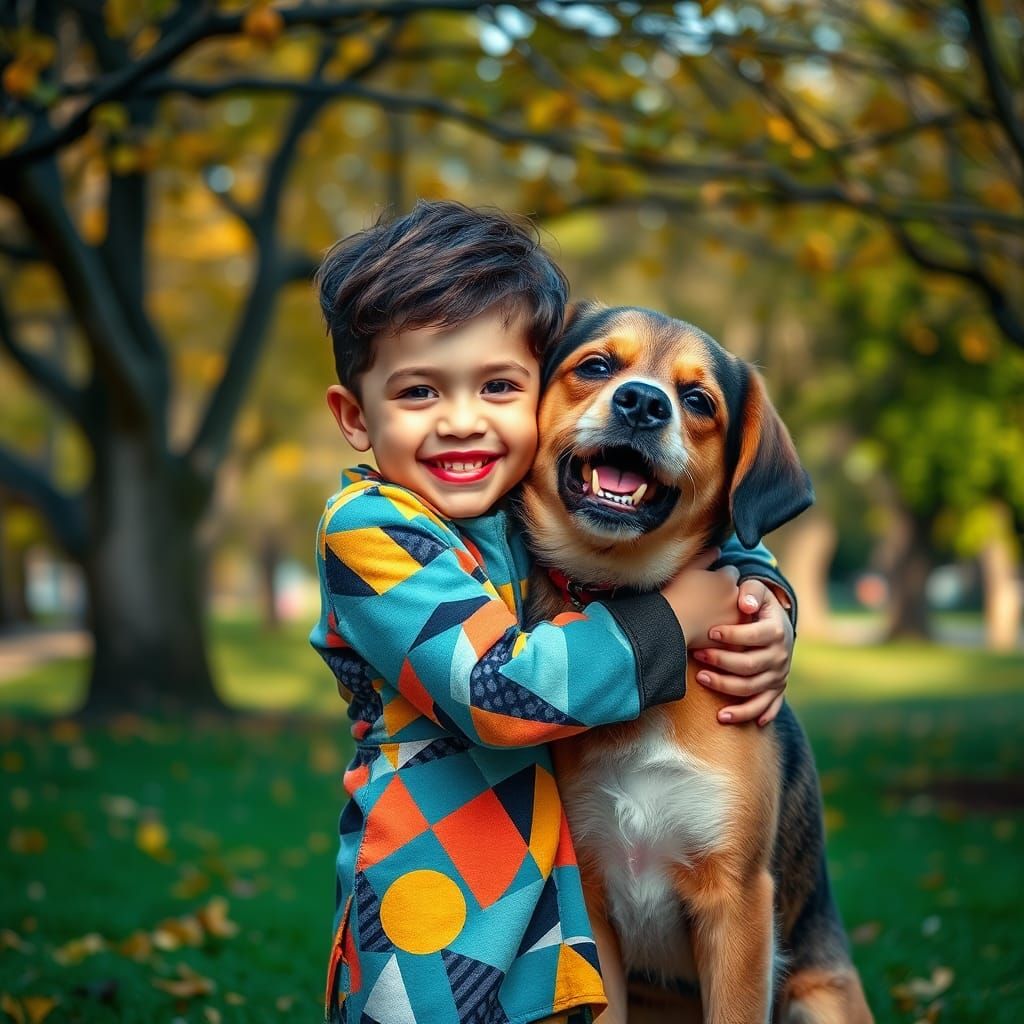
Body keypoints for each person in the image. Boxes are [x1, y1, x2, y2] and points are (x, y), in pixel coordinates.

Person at [310, 200, 796, 1024]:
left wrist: (767, 600)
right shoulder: (373, 530)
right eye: (421, 389)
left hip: (547, 920)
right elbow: (500, 691)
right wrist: (680, 614)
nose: (464, 419)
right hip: (432, 902)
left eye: (498, 386)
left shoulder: (501, 514)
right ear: (357, 416)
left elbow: (722, 523)